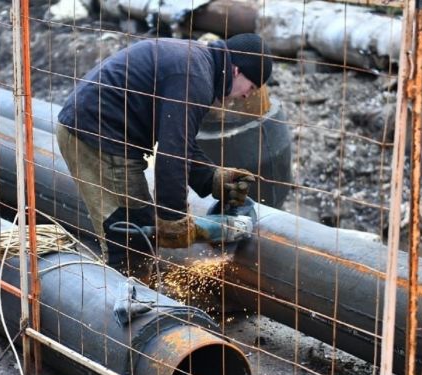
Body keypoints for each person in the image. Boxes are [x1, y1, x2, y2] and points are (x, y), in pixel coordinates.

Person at [56, 33, 273, 276]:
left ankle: (134, 292)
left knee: (136, 233)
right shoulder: (195, 78)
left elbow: (178, 141)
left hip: (99, 130)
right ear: (236, 70)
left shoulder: (198, 65)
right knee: (131, 239)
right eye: (251, 87)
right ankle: (128, 306)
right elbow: (172, 154)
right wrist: (174, 219)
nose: (247, 95)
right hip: (98, 136)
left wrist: (212, 177)